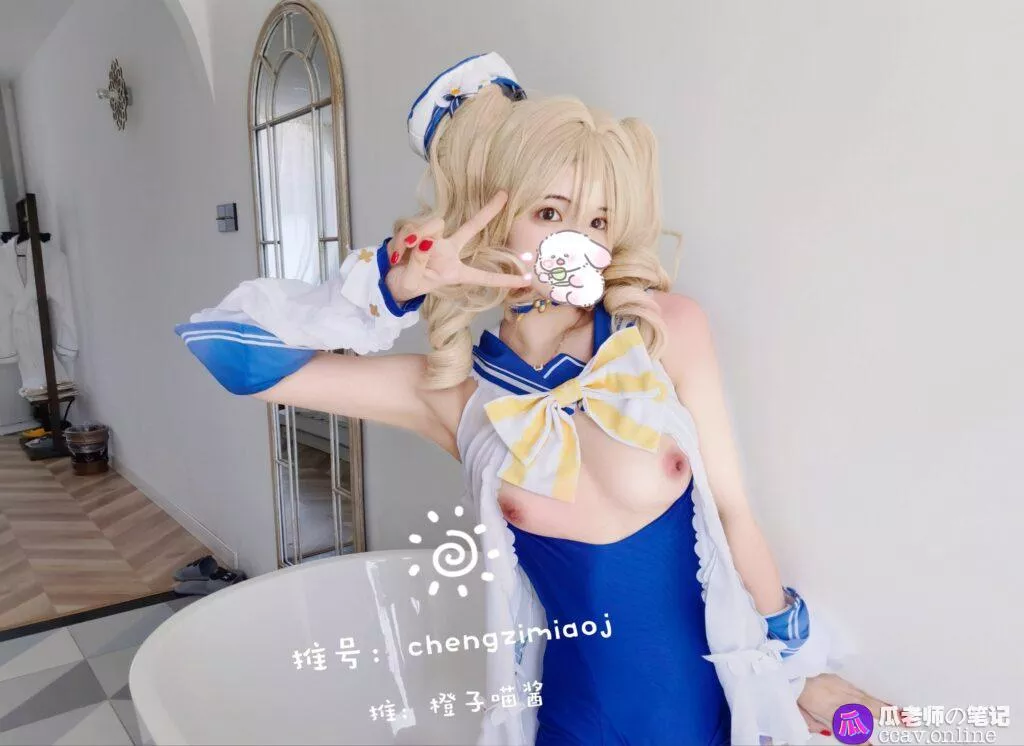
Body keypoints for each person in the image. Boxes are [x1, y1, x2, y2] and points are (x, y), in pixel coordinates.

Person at [177, 53, 894, 746]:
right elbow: (231, 353)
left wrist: (803, 673)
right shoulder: (450, 394)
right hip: (574, 724)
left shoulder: (664, 332)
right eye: (551, 212)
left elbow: (734, 514)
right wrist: (394, 283)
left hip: (712, 711)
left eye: (598, 221)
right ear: (492, 225)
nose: (576, 241)